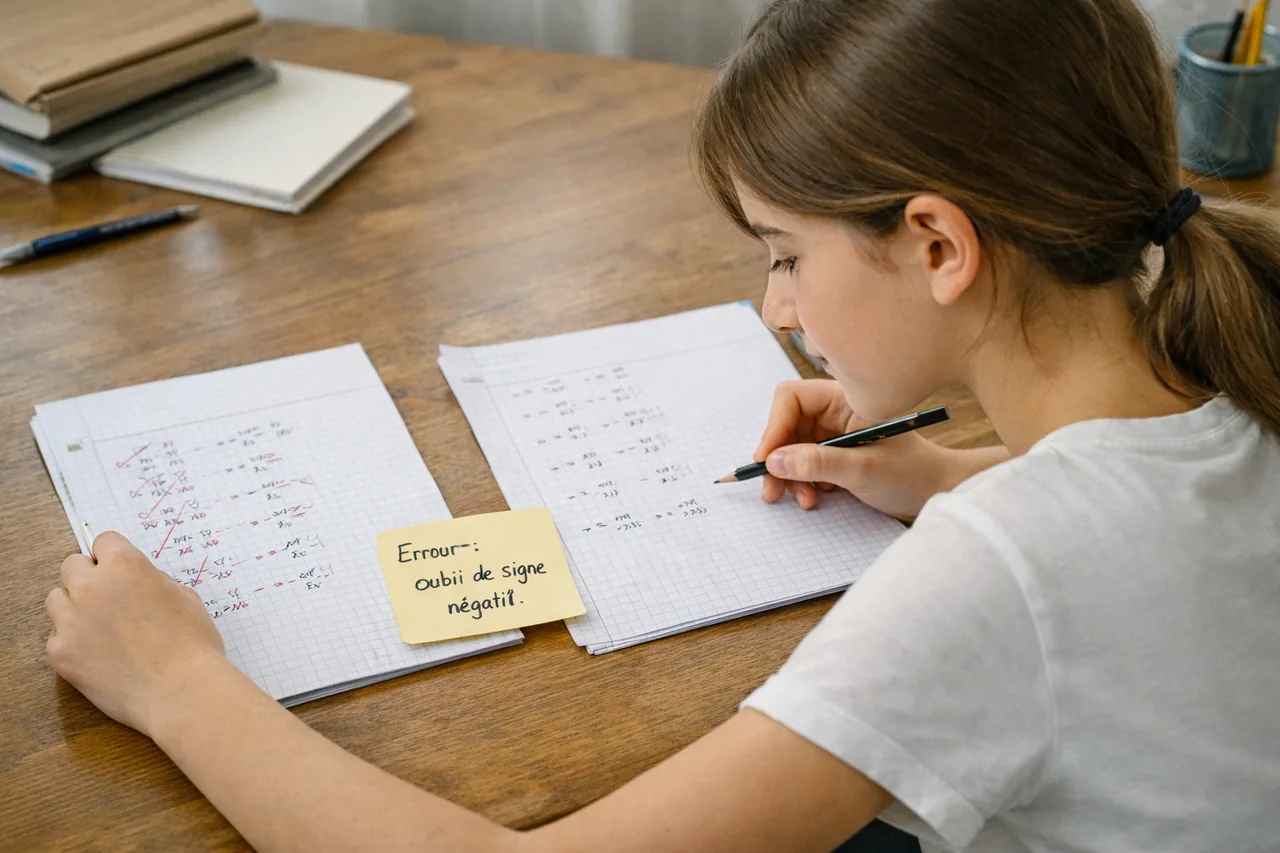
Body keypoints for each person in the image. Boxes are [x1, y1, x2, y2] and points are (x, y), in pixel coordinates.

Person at [44, 0, 1280, 850]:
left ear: (937, 243)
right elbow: (1133, 540)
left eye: (785, 255)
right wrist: (949, 475)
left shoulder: (1004, 575)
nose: (775, 307)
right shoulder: (1225, 354)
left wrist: (179, 683)